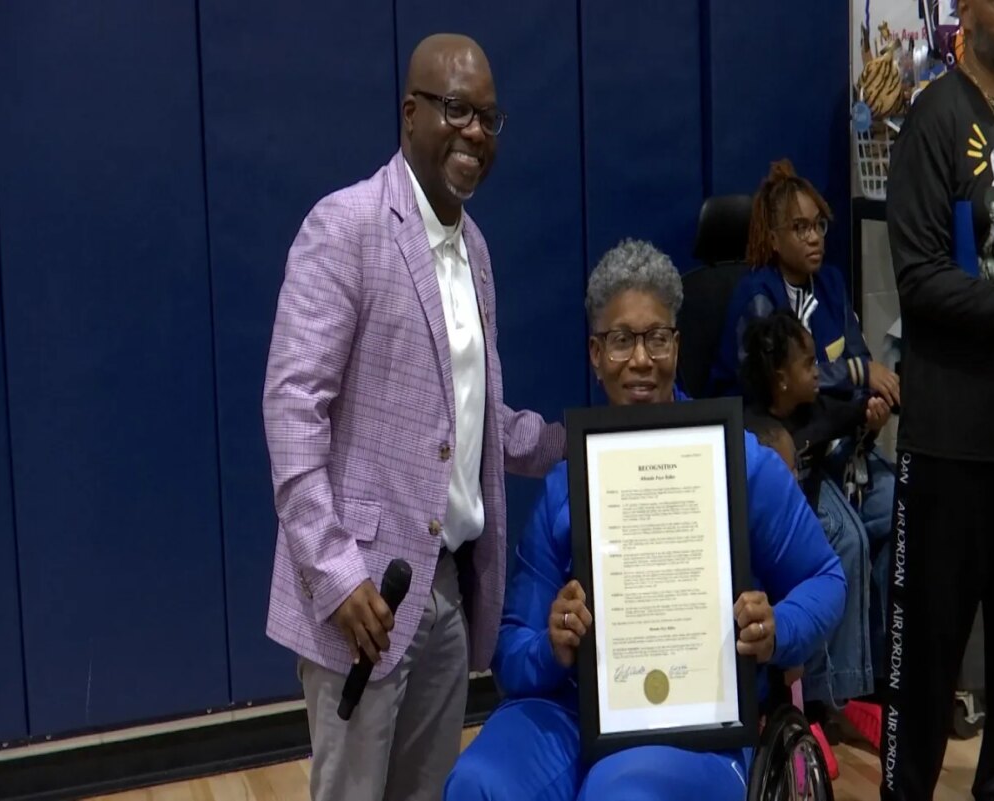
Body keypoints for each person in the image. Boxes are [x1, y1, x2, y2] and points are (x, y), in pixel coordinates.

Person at [261, 33, 566, 801]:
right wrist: (335, 576)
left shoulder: (476, 252)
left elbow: (477, 419)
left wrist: (580, 442)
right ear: (410, 114)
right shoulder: (347, 226)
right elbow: (292, 410)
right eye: (457, 109)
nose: (474, 133)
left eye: (489, 119)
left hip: (450, 592)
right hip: (363, 599)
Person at [444, 239, 846, 801]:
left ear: (676, 347)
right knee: (479, 784)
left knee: (620, 793)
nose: (639, 359)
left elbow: (826, 577)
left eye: (656, 337)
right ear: (594, 354)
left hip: (696, 718)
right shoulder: (568, 483)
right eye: (620, 340)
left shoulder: (738, 464)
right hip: (571, 708)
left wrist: (778, 626)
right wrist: (551, 645)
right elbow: (513, 650)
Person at [881, 0, 994, 797]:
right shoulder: (932, 118)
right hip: (951, 440)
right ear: (968, 10)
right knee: (926, 652)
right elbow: (919, 280)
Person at [711, 161, 897, 713]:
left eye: (819, 226)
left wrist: (870, 406)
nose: (814, 238)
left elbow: (851, 358)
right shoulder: (758, 298)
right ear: (773, 236)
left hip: (838, 440)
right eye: (800, 228)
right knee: (846, 541)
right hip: (784, 450)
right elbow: (788, 389)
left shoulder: (832, 284)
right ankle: (830, 695)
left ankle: (888, 669)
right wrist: (860, 378)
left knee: (901, 509)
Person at [741, 310, 892, 748]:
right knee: (845, 540)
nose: (819, 374)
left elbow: (853, 414)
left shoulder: (817, 409)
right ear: (782, 379)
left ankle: (860, 686)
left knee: (870, 530)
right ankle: (827, 700)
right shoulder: (753, 433)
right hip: (783, 522)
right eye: (809, 366)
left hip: (814, 497)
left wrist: (872, 415)